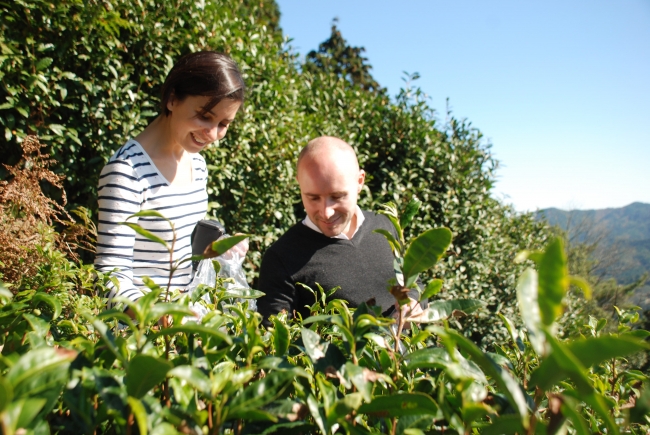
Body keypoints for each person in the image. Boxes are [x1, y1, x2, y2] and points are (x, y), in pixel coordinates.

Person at [95, 51, 245, 309]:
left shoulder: (197, 163)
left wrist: (219, 248)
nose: (212, 134)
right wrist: (162, 316)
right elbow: (109, 279)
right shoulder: (126, 172)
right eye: (204, 116)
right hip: (141, 339)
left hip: (185, 331)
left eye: (223, 123)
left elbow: (181, 252)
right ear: (172, 99)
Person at [257, 136, 423, 323]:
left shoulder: (385, 226)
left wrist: (414, 302)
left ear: (360, 181)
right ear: (299, 184)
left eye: (337, 197)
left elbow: (413, 281)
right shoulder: (281, 258)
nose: (326, 212)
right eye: (313, 198)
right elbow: (273, 341)